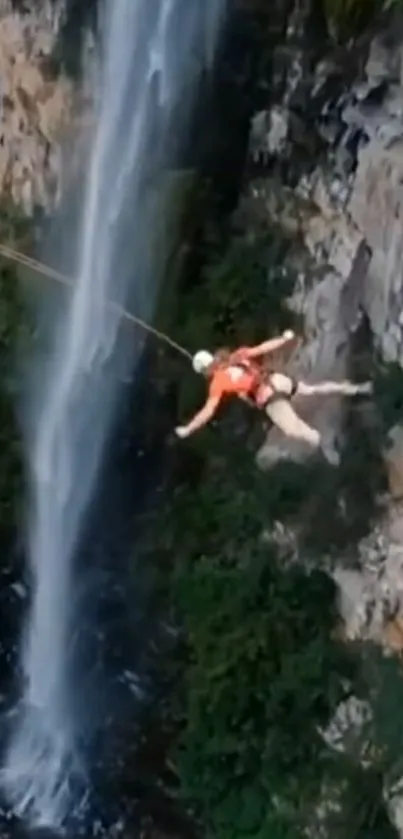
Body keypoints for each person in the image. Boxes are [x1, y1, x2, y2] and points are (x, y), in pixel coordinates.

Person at [174, 330, 372, 455]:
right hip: (277, 380)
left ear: (204, 371)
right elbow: (262, 348)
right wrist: (284, 339)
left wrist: (188, 428)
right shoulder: (236, 356)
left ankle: (326, 444)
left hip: (267, 397)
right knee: (311, 389)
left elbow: (208, 411)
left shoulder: (217, 383)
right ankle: (354, 388)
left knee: (293, 429)